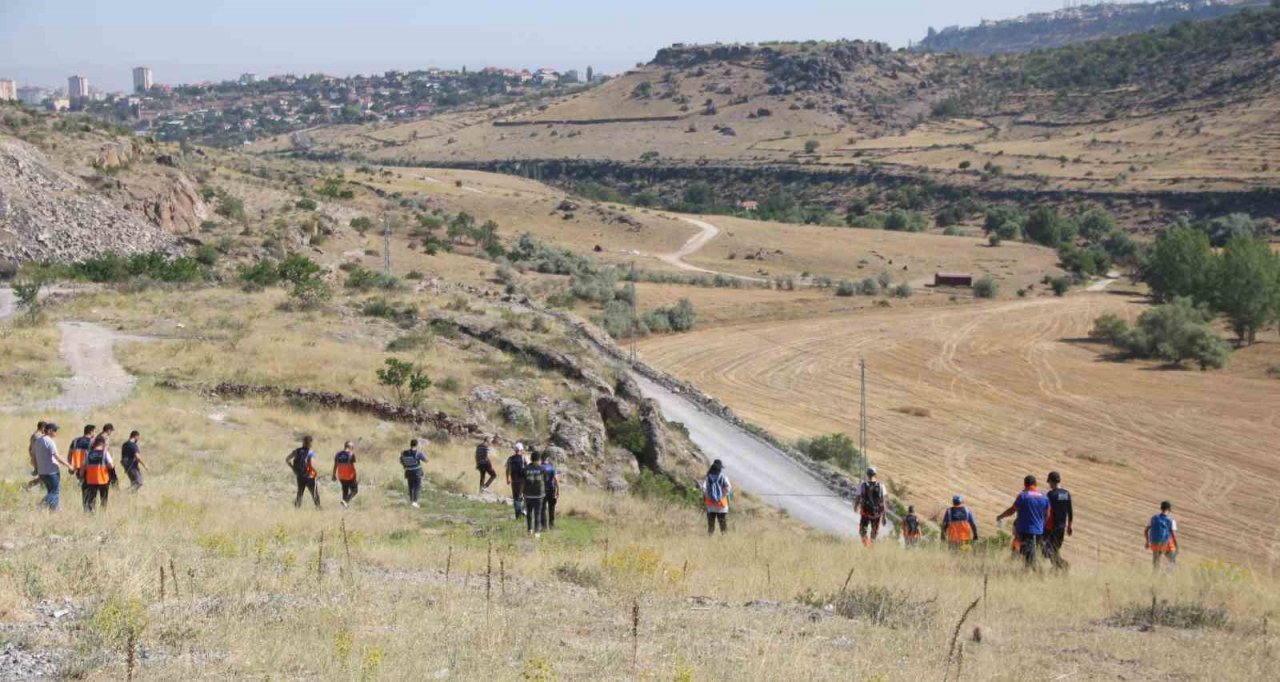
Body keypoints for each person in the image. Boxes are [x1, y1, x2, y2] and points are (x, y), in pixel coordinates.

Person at [997, 475, 1050, 568]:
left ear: (1025, 485)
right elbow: (1048, 514)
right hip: (1039, 531)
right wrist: (1042, 525)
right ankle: (1027, 573)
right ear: (1036, 484)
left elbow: (1012, 510)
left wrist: (1001, 516)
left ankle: (1036, 573)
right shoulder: (1044, 497)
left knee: (1027, 553)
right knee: (1029, 552)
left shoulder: (1023, 496)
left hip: (1025, 530)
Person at [32, 423, 72, 511]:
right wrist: (69, 466)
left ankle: (55, 511)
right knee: (54, 492)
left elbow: (34, 456)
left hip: (42, 472)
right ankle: (40, 506)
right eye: (55, 430)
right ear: (49, 431)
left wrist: (36, 468)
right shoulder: (49, 441)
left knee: (51, 492)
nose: (56, 433)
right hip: (51, 472)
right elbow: (57, 456)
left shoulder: (38, 441)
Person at [1044, 471, 1073, 569]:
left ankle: (1062, 564)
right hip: (1062, 527)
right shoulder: (1066, 494)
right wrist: (1069, 526)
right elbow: (1070, 511)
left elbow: (1046, 511)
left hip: (1051, 527)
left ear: (1051, 481)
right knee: (1055, 549)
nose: (1049, 485)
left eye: (1049, 482)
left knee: (1046, 550)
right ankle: (1057, 568)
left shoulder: (1051, 494)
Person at [286, 435, 321, 509]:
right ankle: (318, 508)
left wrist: (293, 468)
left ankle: (297, 508)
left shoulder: (297, 451)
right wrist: (316, 473)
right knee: (314, 493)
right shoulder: (311, 452)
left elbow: (287, 459)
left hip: (300, 475)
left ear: (303, 442)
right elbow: (312, 465)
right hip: (310, 477)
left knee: (300, 493)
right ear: (310, 443)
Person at [854, 467, 887, 547]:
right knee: (874, 533)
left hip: (865, 512)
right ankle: (871, 547)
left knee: (862, 532)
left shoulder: (862, 485)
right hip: (877, 514)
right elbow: (883, 502)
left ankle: (866, 545)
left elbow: (858, 498)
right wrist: (884, 516)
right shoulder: (881, 486)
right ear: (875, 474)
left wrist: (856, 507)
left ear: (867, 474)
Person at [1145, 501, 1179, 572]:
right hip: (1166, 544)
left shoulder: (1153, 518)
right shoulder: (1171, 520)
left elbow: (1146, 530)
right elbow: (1173, 534)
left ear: (1161, 508)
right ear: (1169, 509)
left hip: (1155, 544)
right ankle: (1167, 576)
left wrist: (1147, 542)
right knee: (1172, 562)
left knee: (1156, 563)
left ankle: (1155, 578)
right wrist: (1176, 545)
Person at [81, 436, 113, 511]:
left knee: (91, 500)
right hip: (103, 480)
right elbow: (111, 466)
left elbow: (83, 467)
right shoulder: (105, 453)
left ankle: (91, 514)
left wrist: (81, 475)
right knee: (103, 499)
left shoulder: (88, 454)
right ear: (103, 444)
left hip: (91, 480)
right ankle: (102, 514)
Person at [702, 459, 732, 535]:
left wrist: (709, 496)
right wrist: (722, 495)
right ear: (720, 468)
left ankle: (710, 537)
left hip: (710, 505)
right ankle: (724, 537)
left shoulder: (708, 477)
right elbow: (728, 488)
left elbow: (704, 488)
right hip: (722, 505)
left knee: (711, 524)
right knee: (722, 523)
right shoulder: (723, 477)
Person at [523, 451, 547, 536]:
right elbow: (545, 480)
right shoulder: (542, 469)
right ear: (539, 459)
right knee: (538, 513)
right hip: (539, 495)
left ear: (531, 458)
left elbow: (523, 480)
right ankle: (537, 532)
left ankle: (529, 529)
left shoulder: (525, 469)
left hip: (528, 494)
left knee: (529, 512)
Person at [399, 438, 427, 508]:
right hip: (417, 472)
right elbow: (426, 461)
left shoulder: (405, 453)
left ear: (410, 444)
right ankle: (415, 502)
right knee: (417, 487)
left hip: (408, 472)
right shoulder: (418, 453)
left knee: (410, 487)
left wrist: (406, 466)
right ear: (417, 444)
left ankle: (411, 501)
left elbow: (401, 461)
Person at [332, 441, 358, 508]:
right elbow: (353, 466)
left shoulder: (338, 454)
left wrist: (333, 474)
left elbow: (335, 465)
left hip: (341, 476)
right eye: (352, 447)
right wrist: (355, 476)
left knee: (345, 491)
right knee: (355, 490)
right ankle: (346, 501)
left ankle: (344, 508)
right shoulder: (351, 454)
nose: (353, 448)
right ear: (350, 447)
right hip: (350, 476)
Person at [505, 443, 528, 519]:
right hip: (523, 481)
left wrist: (508, 479)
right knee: (525, 497)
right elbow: (529, 468)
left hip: (514, 481)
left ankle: (517, 515)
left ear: (515, 450)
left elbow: (508, 469)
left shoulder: (510, 458)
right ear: (521, 449)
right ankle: (524, 511)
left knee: (516, 498)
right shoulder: (524, 458)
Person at [25, 420, 47, 490]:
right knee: (44, 477)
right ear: (42, 427)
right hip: (38, 459)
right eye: (45, 428)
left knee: (43, 476)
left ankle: (41, 489)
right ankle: (28, 486)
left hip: (36, 458)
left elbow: (30, 448)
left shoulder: (34, 435)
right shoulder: (38, 436)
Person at [542, 452, 560, 531]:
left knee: (543, 508)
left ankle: (544, 526)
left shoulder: (540, 467)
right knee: (551, 508)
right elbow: (556, 480)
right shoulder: (552, 467)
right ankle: (551, 525)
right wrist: (558, 490)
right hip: (552, 489)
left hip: (542, 490)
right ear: (547, 459)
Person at [100, 424, 119, 488]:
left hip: (98, 458)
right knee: (113, 476)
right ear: (108, 430)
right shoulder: (106, 437)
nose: (111, 432)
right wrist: (109, 461)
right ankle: (115, 489)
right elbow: (105, 449)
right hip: (105, 458)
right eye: (111, 431)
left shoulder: (99, 436)